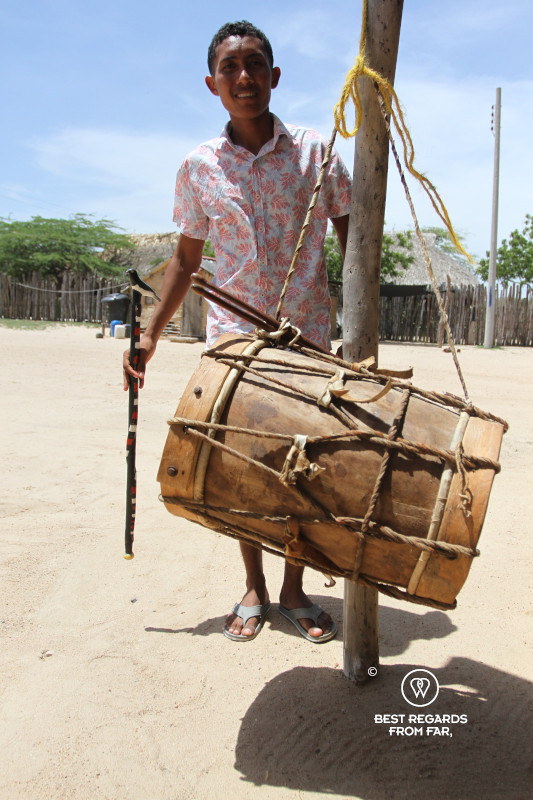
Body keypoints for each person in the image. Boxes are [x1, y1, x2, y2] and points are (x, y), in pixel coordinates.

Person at [123, 20, 352, 643]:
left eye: (255, 64)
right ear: (212, 84)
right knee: (244, 467)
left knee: (305, 466)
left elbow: (352, 238)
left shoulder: (316, 152)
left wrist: (357, 328)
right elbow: (186, 261)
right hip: (233, 341)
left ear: (275, 77)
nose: (244, 77)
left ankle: (295, 587)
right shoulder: (198, 167)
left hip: (305, 336)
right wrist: (149, 337)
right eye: (231, 67)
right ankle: (253, 583)